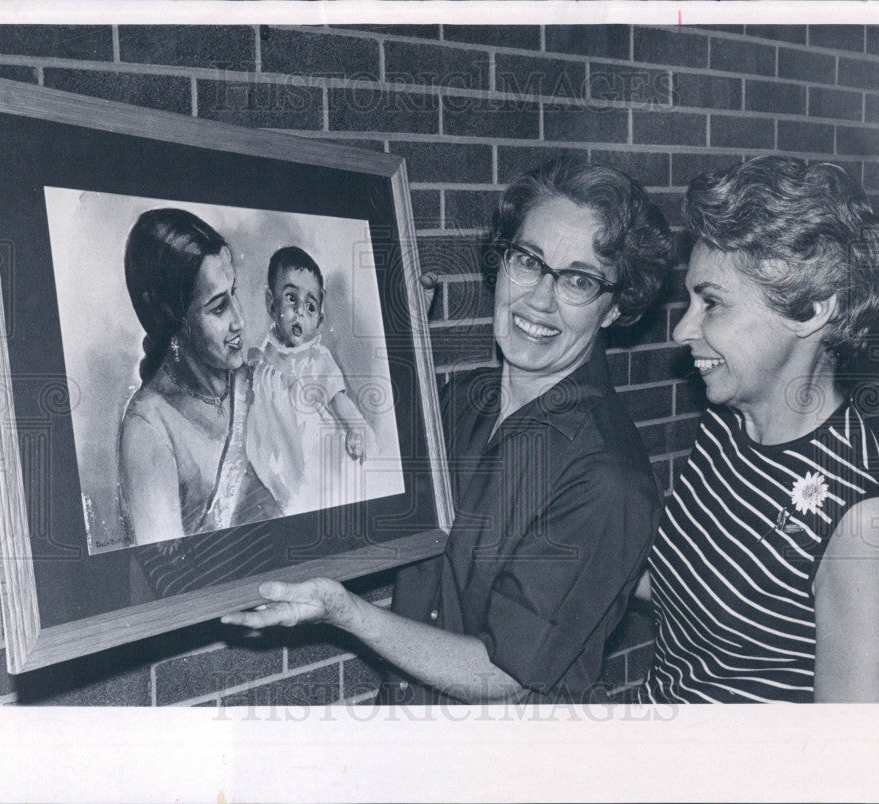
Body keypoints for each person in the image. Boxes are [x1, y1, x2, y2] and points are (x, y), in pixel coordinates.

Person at [222, 159, 677, 704]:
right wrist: (395, 345)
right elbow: (364, 488)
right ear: (503, 261)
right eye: (528, 261)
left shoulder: (608, 479)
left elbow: (501, 673)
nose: (539, 299)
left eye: (578, 280)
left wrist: (347, 613)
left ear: (612, 308)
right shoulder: (462, 400)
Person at [637, 156, 879, 703]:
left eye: (711, 302)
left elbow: (854, 768)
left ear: (808, 310)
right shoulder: (728, 425)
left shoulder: (863, 523)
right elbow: (684, 586)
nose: (683, 329)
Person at [119, 208, 281, 596]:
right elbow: (172, 589)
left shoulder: (256, 377)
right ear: (175, 321)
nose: (240, 320)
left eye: (235, 295)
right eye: (218, 306)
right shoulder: (148, 429)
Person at [246, 246, 372, 516]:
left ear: (320, 320)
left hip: (309, 445)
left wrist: (353, 429)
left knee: (313, 488)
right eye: (291, 298)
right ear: (271, 303)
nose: (300, 312)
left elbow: (339, 400)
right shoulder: (263, 352)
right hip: (272, 440)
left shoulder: (318, 358)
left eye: (310, 306)